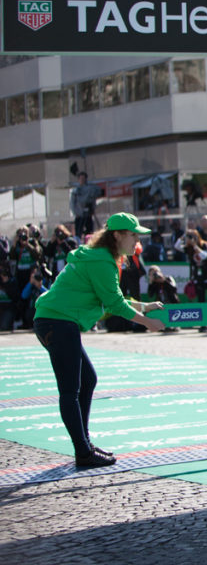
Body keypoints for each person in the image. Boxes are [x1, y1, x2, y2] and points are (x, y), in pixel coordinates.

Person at [32, 212, 165, 468]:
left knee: (87, 380)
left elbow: (111, 298)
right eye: (133, 234)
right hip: (57, 322)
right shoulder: (102, 261)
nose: (137, 241)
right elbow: (114, 304)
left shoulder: (101, 257)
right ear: (117, 236)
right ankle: (83, 452)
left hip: (57, 320)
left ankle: (85, 445)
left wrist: (145, 306)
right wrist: (148, 323)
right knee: (70, 390)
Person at [70, 172, 102, 239]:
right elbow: (72, 203)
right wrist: (77, 212)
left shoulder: (91, 189)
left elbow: (98, 192)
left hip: (88, 214)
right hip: (79, 215)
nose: (82, 180)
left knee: (89, 232)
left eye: (84, 178)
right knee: (78, 232)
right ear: (78, 179)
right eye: (81, 178)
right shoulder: (76, 191)